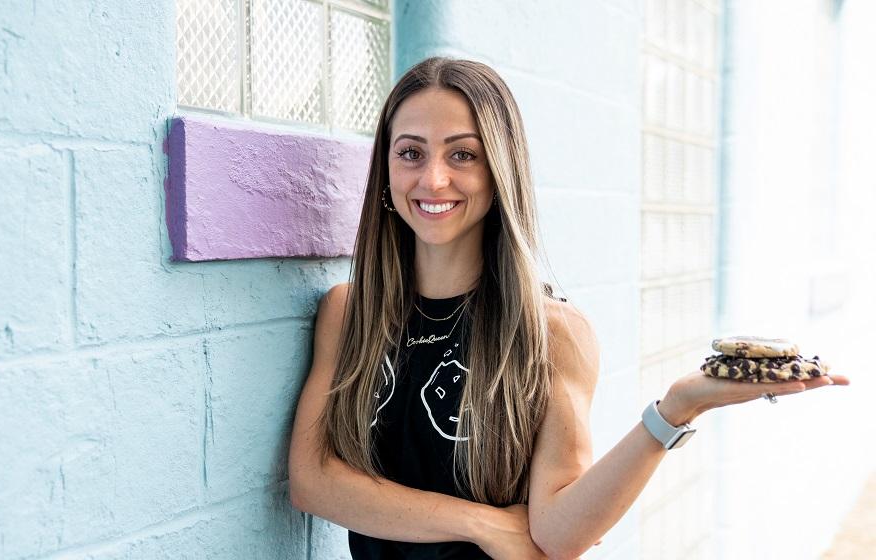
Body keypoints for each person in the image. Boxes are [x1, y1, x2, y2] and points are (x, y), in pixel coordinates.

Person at [287, 56, 849, 560]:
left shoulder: (550, 332)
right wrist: (482, 524)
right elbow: (312, 481)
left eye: (463, 154)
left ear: (499, 172)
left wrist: (678, 409)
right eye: (411, 152)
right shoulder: (350, 314)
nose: (434, 178)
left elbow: (558, 533)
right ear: (386, 170)